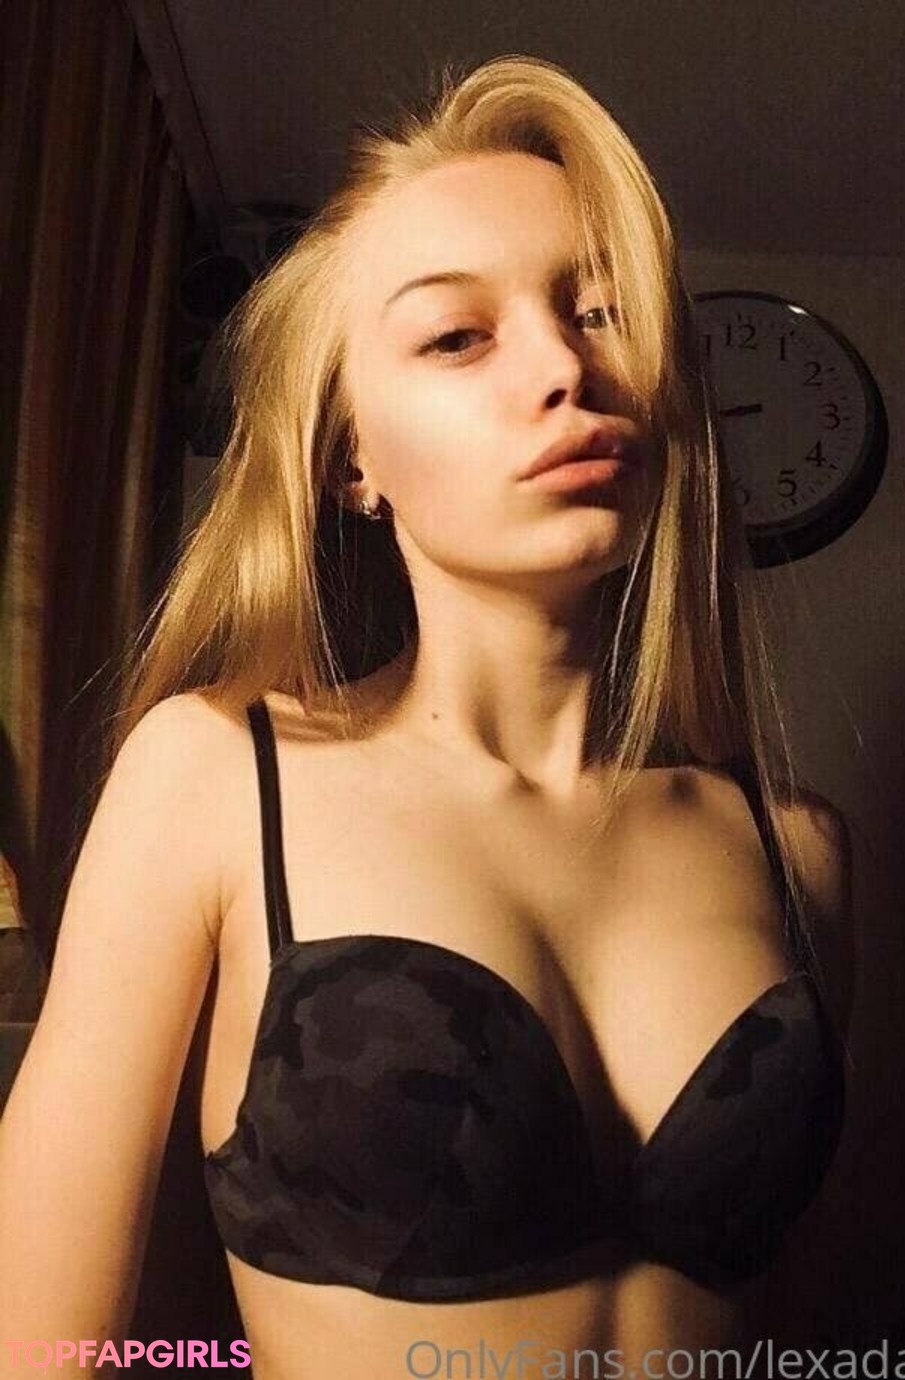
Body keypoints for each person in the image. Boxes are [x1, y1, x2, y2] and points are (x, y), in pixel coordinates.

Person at [0, 54, 855, 1379]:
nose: (566, 366)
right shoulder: (214, 777)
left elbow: (821, 1328)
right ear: (350, 456)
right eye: (458, 336)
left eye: (603, 311)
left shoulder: (793, 850)